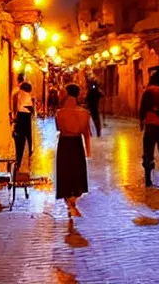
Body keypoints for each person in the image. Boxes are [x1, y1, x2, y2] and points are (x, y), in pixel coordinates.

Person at [55, 83, 91, 218]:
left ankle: (70, 203)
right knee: (77, 174)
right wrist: (88, 151)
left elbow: (59, 129)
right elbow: (86, 133)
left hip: (64, 143)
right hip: (77, 144)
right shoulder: (84, 113)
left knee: (65, 173)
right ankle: (72, 202)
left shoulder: (60, 113)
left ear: (67, 94)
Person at [12, 82, 35, 168]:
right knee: (27, 137)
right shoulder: (26, 96)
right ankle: (28, 155)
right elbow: (30, 108)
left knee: (20, 141)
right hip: (25, 118)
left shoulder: (17, 94)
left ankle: (18, 161)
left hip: (19, 117)